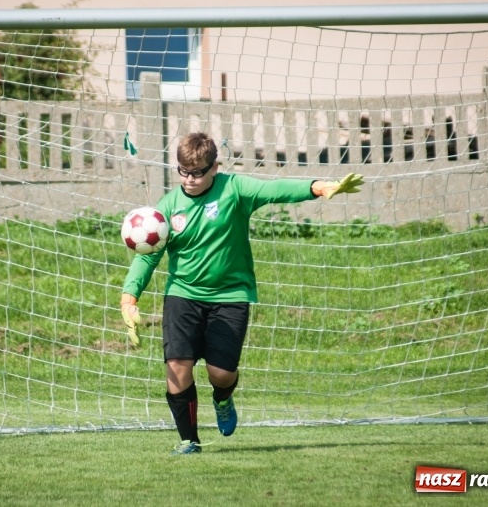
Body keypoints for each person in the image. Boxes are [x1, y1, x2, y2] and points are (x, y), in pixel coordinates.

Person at [120, 132, 363, 455]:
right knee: (177, 364)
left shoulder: (234, 189)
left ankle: (222, 399)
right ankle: (189, 439)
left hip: (231, 295)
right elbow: (148, 256)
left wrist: (317, 187)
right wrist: (129, 298)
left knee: (220, 374)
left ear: (214, 168)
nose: (190, 180)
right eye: (183, 171)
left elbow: (273, 189)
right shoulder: (166, 208)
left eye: (197, 172)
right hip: (183, 294)